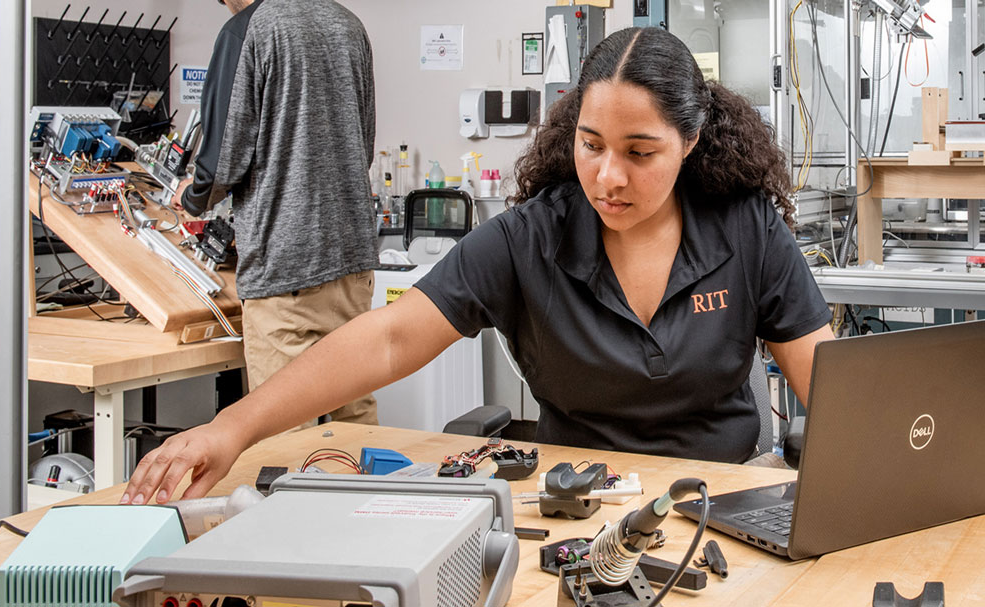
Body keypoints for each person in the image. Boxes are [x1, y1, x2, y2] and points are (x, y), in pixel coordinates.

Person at [122, 26, 834, 506]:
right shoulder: (531, 238)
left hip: (730, 496)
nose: (607, 175)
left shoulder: (746, 230)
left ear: (691, 141)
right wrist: (233, 428)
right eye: (591, 143)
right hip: (575, 503)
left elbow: (830, 394)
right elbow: (390, 337)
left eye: (639, 152)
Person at [172, 0, 379, 424]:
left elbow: (222, 161)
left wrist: (190, 197)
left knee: (283, 430)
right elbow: (365, 144)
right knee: (354, 423)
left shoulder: (247, 30)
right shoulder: (348, 24)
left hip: (284, 269)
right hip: (352, 263)